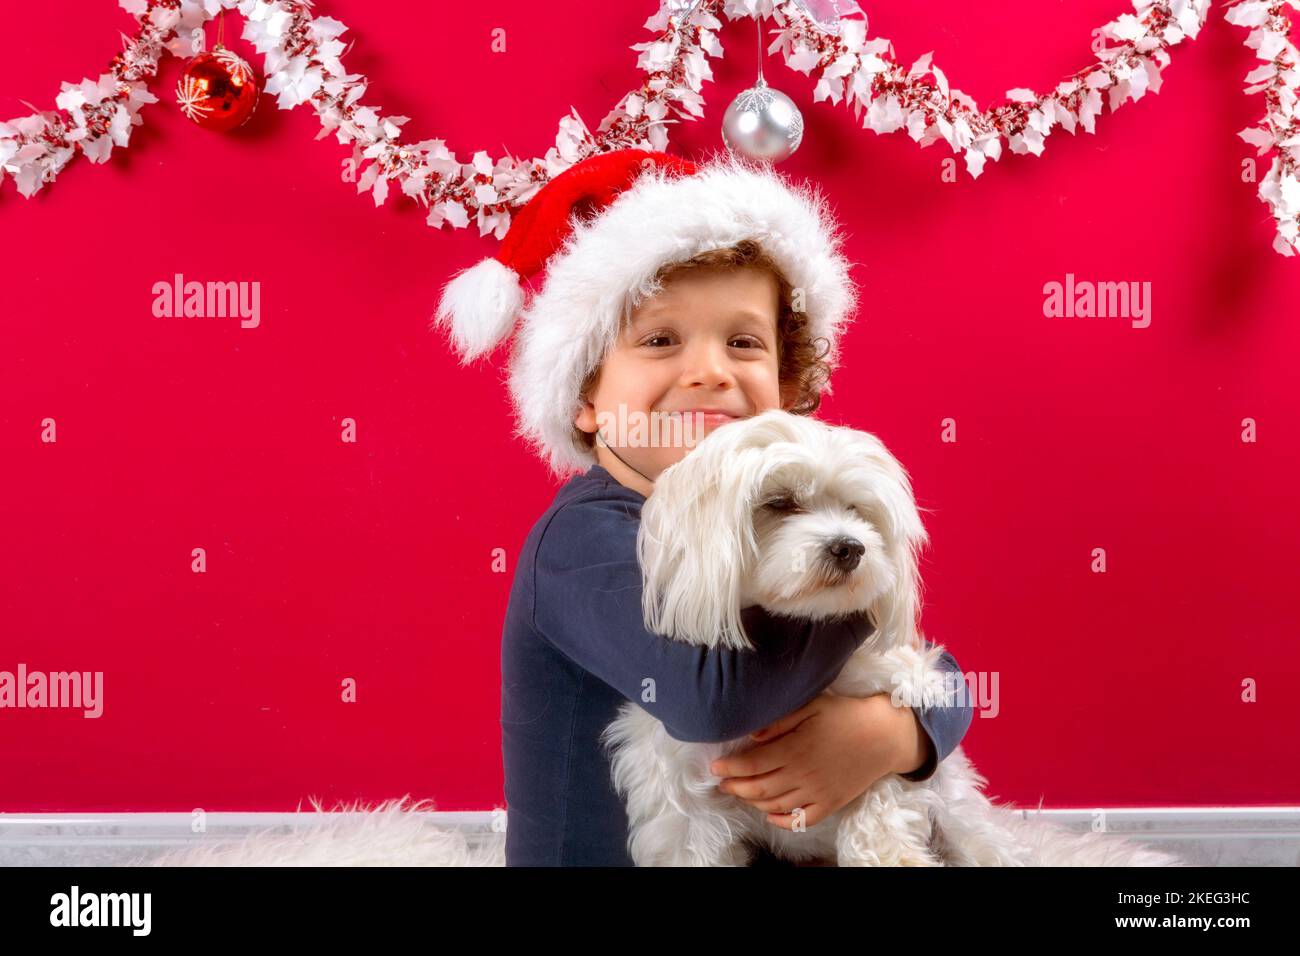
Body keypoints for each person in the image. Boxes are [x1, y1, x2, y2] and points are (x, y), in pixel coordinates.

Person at [435, 148, 973, 866]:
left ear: (784, 383)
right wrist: (864, 598)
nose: (710, 371)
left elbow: (917, 664)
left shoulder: (776, 514)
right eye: (660, 340)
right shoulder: (584, 538)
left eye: (743, 342)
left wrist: (898, 734)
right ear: (587, 398)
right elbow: (710, 704)